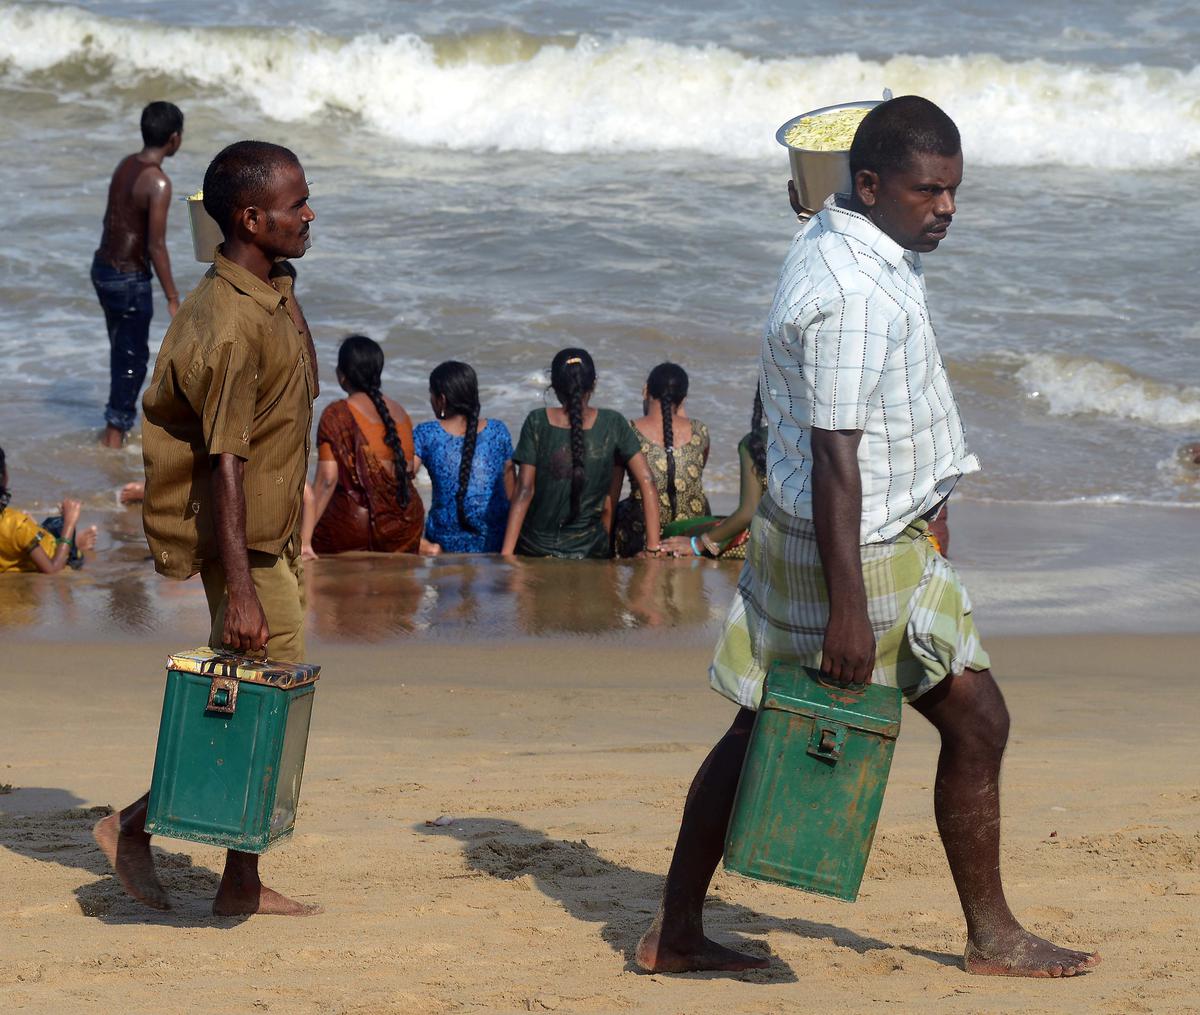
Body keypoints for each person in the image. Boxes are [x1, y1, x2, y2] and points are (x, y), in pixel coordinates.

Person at [636, 97, 1100, 977]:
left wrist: (933, 491)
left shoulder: (842, 236)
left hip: (880, 534)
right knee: (922, 724)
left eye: (955, 191)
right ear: (872, 184)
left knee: (813, 726)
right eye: (930, 191)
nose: (947, 208)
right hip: (853, 551)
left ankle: (681, 928)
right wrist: (850, 610)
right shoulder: (851, 290)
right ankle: (987, 935)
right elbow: (835, 450)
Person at [93, 139, 321, 917]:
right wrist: (243, 593)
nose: (309, 214)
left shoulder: (269, 289)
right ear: (253, 218)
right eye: (296, 206)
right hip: (243, 542)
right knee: (259, 695)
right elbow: (225, 460)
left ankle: (239, 881)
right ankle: (136, 825)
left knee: (257, 695)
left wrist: (283, 277)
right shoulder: (228, 321)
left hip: (271, 529)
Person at [501, 348, 663, 559]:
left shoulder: (536, 421)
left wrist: (506, 554)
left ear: (555, 387)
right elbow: (647, 480)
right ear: (593, 383)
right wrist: (652, 548)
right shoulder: (613, 423)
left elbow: (524, 490)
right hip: (589, 550)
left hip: (534, 548)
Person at [93, 101, 184, 448]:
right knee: (132, 361)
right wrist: (173, 298)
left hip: (103, 269)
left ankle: (114, 430)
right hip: (129, 278)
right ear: (174, 139)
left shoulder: (125, 165)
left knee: (121, 352)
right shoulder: (158, 182)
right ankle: (114, 437)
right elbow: (156, 246)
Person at [300, 335, 430, 558]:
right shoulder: (400, 412)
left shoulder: (337, 413)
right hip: (406, 525)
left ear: (343, 375)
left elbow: (327, 479)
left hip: (356, 527)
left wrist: (306, 539)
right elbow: (408, 470)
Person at [412, 361, 514, 553]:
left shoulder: (426, 433)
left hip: (443, 546)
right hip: (495, 544)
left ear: (441, 399)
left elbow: (401, 482)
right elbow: (511, 496)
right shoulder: (498, 431)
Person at [613, 362, 710, 557]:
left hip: (644, 535)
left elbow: (613, 491)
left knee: (619, 507)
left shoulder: (629, 431)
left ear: (646, 390)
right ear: (683, 399)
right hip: (691, 533)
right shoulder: (701, 430)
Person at [661, 390, 767, 561]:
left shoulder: (755, 442)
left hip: (767, 542)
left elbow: (748, 513)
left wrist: (699, 544)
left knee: (676, 530)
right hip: (814, 534)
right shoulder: (817, 437)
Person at [0, 446, 97, 573]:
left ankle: (43, 530)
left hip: (25, 546)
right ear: (3, 477)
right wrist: (70, 522)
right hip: (54, 555)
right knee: (60, 525)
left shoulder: (15, 523)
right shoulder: (17, 526)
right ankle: (76, 546)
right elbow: (53, 569)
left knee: (44, 528)